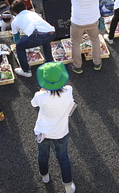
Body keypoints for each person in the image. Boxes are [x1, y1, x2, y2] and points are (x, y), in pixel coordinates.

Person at [32, 62, 77, 193]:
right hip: (61, 132)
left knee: (43, 155)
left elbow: (34, 104)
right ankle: (68, 186)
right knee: (63, 157)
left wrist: (42, 90)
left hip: (43, 132)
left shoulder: (40, 96)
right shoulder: (68, 91)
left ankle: (45, 176)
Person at [64, 0, 106, 74]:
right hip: (93, 19)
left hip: (77, 21)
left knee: (75, 43)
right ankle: (97, 63)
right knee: (95, 40)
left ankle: (78, 66)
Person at [11, 0, 56, 78]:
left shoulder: (15, 21)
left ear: (14, 12)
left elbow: (16, 38)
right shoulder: (33, 13)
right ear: (25, 7)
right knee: (45, 40)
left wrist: (18, 45)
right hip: (51, 33)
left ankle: (25, 70)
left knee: (19, 46)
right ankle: (50, 62)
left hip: (37, 36)